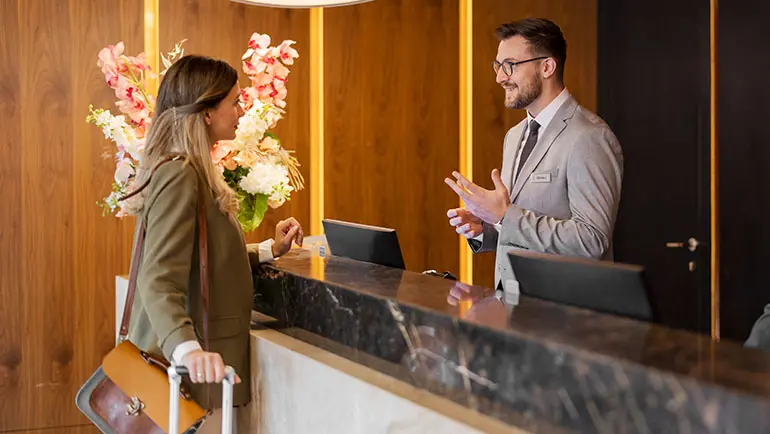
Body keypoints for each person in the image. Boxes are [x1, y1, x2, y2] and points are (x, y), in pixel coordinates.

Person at [122, 55, 303, 433]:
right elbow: (158, 278)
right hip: (187, 378)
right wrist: (187, 349)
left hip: (197, 373)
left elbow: (204, 260)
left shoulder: (190, 171)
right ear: (206, 111)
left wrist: (270, 249)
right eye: (234, 101)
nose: (241, 110)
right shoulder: (179, 174)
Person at [445, 18, 623, 290]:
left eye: (510, 66)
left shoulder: (589, 136)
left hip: (565, 317)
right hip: (514, 306)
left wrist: (504, 216)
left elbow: (592, 240)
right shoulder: (515, 136)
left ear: (547, 67)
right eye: (498, 66)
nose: (500, 77)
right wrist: (489, 228)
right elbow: (522, 224)